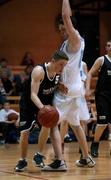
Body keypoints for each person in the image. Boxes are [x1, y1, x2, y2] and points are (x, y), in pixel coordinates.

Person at [43, 0, 95, 170]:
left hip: (68, 90)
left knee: (51, 123)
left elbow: (66, 15)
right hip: (74, 89)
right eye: (61, 30)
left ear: (71, 26)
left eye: (65, 28)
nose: (63, 32)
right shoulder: (69, 43)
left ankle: (59, 161)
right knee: (75, 124)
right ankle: (86, 158)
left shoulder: (75, 39)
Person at [14, 50, 69, 172]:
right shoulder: (39, 71)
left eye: (64, 65)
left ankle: (40, 155)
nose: (63, 67)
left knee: (50, 126)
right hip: (29, 104)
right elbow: (33, 94)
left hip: (44, 104)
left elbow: (52, 84)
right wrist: (44, 109)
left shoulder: (57, 73)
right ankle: (22, 160)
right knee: (25, 132)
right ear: (53, 60)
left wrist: (60, 86)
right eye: (61, 64)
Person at [86, 39, 111, 157]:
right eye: (108, 45)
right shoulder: (102, 60)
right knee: (102, 123)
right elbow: (90, 73)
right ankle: (95, 144)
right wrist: (87, 89)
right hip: (102, 95)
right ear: (106, 48)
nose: (110, 47)